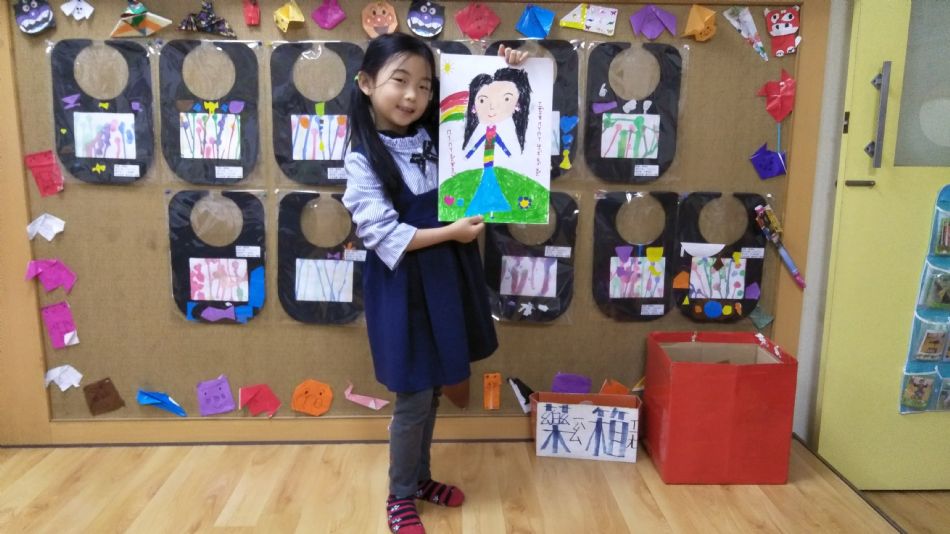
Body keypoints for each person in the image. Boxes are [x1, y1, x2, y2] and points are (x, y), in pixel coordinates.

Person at [341, 33, 527, 534]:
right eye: (400, 81)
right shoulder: (362, 158)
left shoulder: (437, 134)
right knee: (413, 394)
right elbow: (381, 234)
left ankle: (420, 478)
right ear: (366, 83)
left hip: (446, 279)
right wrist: (451, 233)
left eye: (424, 86)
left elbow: (489, 108)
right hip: (403, 287)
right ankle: (400, 494)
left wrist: (508, 68)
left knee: (436, 385)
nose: (412, 96)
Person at [461, 67, 532, 217]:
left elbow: (499, 143)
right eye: (482, 100)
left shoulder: (511, 133)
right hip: (487, 164)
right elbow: (479, 143)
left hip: (491, 165)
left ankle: (492, 210)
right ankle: (489, 209)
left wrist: (507, 153)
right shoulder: (484, 132)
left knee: (492, 185)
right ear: (473, 107)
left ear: (518, 105)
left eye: (506, 99)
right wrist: (470, 153)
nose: (492, 107)